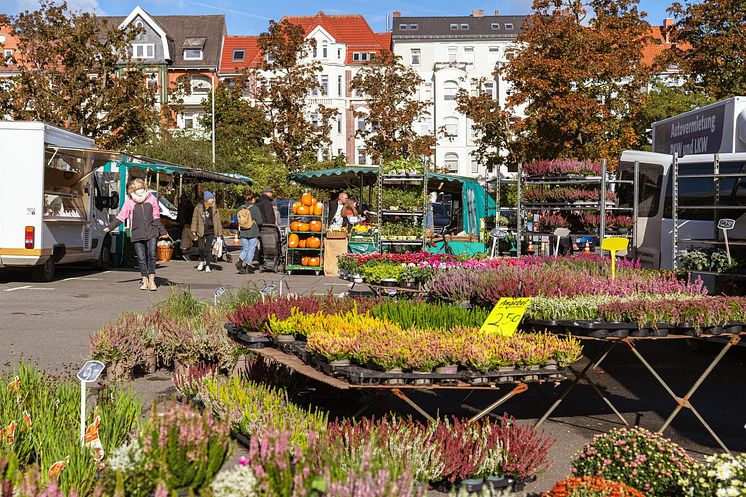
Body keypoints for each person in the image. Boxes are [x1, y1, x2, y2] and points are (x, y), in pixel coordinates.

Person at [104, 178, 167, 291]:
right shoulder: (129, 201)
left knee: (152, 255)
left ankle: (152, 279)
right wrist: (110, 227)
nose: (139, 190)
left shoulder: (151, 198)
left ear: (144, 187)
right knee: (141, 258)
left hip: (151, 231)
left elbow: (157, 216)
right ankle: (144, 278)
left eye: (141, 187)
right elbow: (122, 216)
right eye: (137, 188)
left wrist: (163, 231)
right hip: (137, 232)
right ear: (132, 189)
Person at [190, 191, 223, 273]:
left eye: (213, 198)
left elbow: (218, 221)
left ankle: (208, 265)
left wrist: (219, 233)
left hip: (211, 231)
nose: (212, 200)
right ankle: (202, 261)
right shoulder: (199, 207)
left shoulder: (214, 208)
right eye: (211, 198)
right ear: (206, 199)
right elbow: (195, 218)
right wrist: (193, 230)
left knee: (208, 249)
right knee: (201, 248)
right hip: (201, 230)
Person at [235, 191, 263, 274]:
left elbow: (237, 220)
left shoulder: (240, 208)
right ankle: (248, 266)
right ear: (253, 199)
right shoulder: (255, 208)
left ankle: (239, 262)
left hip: (243, 231)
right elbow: (259, 221)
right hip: (253, 231)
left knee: (245, 249)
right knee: (251, 249)